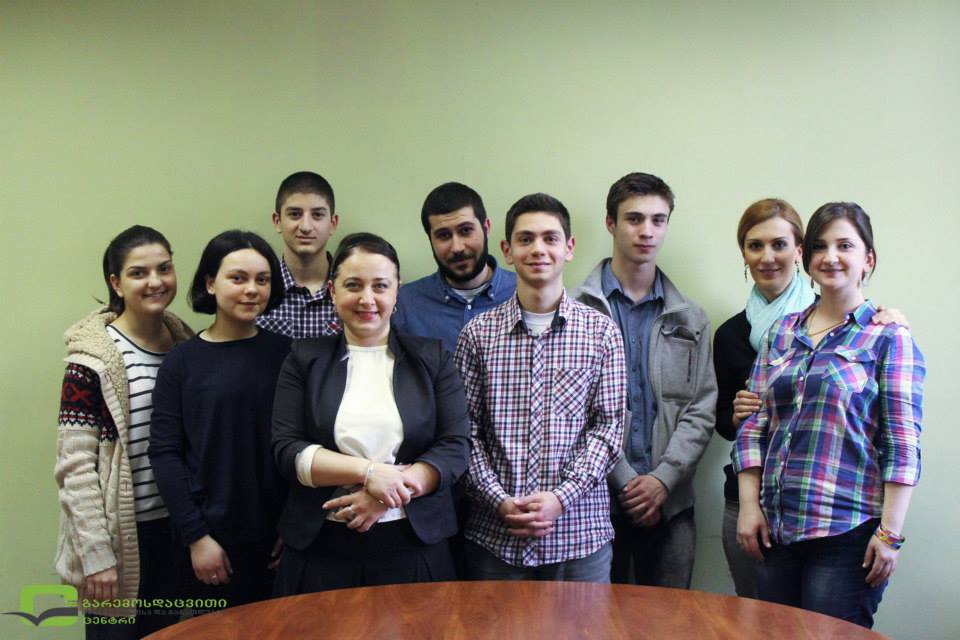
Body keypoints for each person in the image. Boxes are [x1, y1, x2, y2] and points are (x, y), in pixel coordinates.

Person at [734, 202, 925, 628]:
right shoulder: (781, 332)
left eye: (845, 246)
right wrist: (749, 507)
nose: (830, 256)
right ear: (806, 257)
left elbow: (902, 444)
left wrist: (890, 534)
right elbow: (753, 426)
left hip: (846, 533)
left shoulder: (888, 337)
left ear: (868, 259)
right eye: (820, 246)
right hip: (776, 529)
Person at [271, 232, 470, 593]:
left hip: (414, 547)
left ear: (397, 292)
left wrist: (385, 494)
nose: (367, 299)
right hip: (321, 548)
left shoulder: (433, 358)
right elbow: (287, 450)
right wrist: (370, 473)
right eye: (353, 285)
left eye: (380, 286)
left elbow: (455, 447)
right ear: (333, 291)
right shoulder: (303, 358)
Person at [456, 193, 626, 582]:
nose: (538, 249)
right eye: (525, 239)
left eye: (550, 238)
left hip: (579, 539)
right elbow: (465, 432)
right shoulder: (477, 336)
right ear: (507, 250)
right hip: (496, 539)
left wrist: (560, 498)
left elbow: (609, 428)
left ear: (569, 248)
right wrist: (498, 500)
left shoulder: (601, 333)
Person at [573, 172, 716, 589]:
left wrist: (662, 480)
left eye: (658, 220)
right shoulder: (575, 312)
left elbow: (701, 408)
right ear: (610, 223)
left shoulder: (691, 318)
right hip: (595, 502)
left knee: (670, 619)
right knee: (592, 618)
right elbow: (573, 410)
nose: (647, 231)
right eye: (634, 219)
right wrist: (626, 480)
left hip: (672, 503)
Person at [55, 225, 192, 638]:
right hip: (119, 539)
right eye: (138, 273)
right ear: (116, 283)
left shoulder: (185, 347)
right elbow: (76, 467)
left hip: (177, 533)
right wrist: (96, 555)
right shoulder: (91, 361)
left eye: (164, 268)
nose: (155, 281)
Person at [150, 230, 290, 611]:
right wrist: (197, 537)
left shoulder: (288, 355)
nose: (252, 290)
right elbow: (164, 453)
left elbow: (302, 444)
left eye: (262, 279)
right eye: (238, 278)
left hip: (279, 541)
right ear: (210, 283)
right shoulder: (182, 362)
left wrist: (294, 526)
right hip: (211, 542)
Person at [394, 181, 516, 353]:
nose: (457, 247)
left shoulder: (524, 294)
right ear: (430, 239)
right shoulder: (405, 304)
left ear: (486, 228)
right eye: (443, 235)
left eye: (466, 231)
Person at [257, 171, 341, 337]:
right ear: (277, 221)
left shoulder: (351, 290)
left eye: (317, 215)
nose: (306, 227)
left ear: (333, 223)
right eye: (295, 214)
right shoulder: (258, 290)